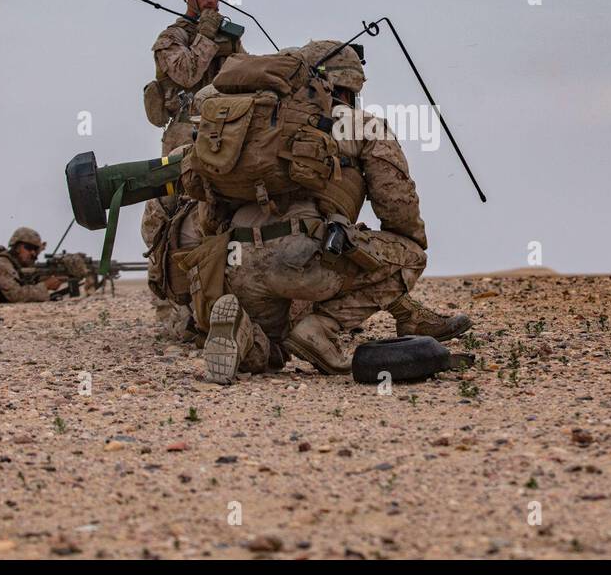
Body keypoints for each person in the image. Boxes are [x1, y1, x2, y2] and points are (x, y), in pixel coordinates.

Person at [179, 40, 470, 384]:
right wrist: (402, 241)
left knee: (271, 351)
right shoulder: (362, 125)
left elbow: (209, 210)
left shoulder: (247, 130)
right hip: (301, 257)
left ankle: (241, 333)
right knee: (410, 256)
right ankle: (319, 329)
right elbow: (396, 201)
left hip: (238, 260)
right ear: (348, 86)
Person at [141, 0, 246, 336]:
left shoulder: (227, 37)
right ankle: (170, 310)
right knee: (164, 214)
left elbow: (244, 74)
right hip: (184, 133)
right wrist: (203, 36)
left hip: (223, 132)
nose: (213, 3)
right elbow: (184, 73)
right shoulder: (171, 39)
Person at [0, 227, 68, 303]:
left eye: (36, 249)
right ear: (17, 247)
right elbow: (16, 295)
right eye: (29, 248)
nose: (33, 253)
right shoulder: (2, 264)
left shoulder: (14, 264)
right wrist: (45, 286)